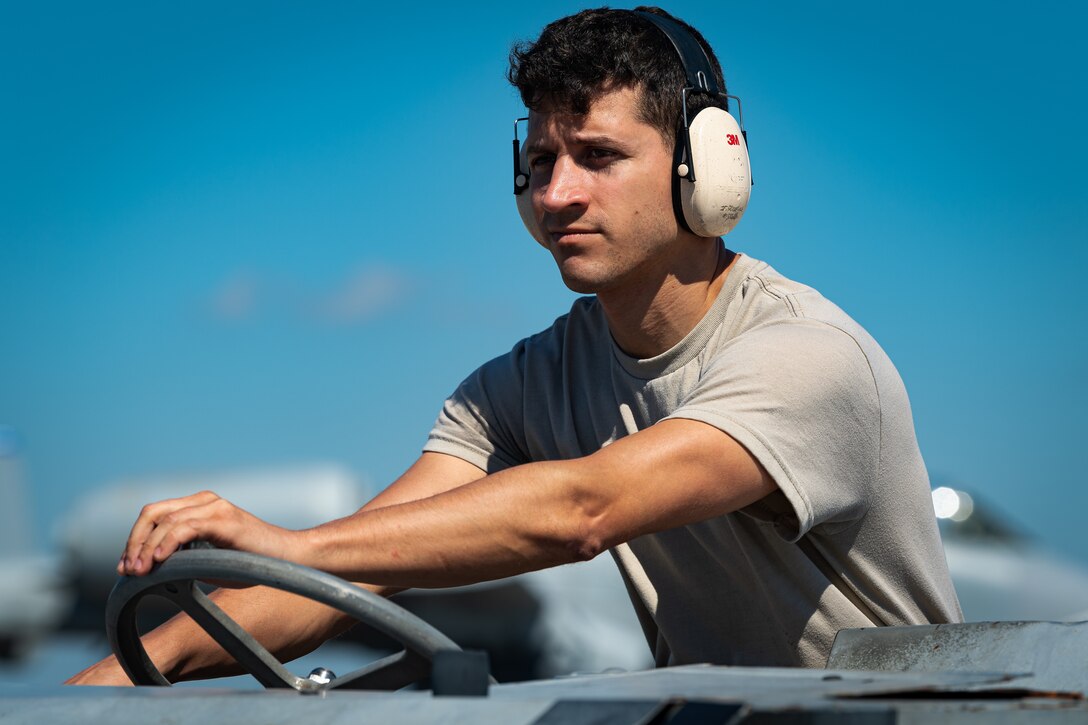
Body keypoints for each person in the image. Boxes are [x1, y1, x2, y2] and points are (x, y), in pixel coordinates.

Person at [68, 6, 960, 685]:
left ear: (706, 165)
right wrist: (102, 687)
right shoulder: (529, 383)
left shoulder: (808, 357)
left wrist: (292, 544)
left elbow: (587, 508)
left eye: (600, 157)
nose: (556, 194)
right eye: (540, 163)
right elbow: (360, 562)